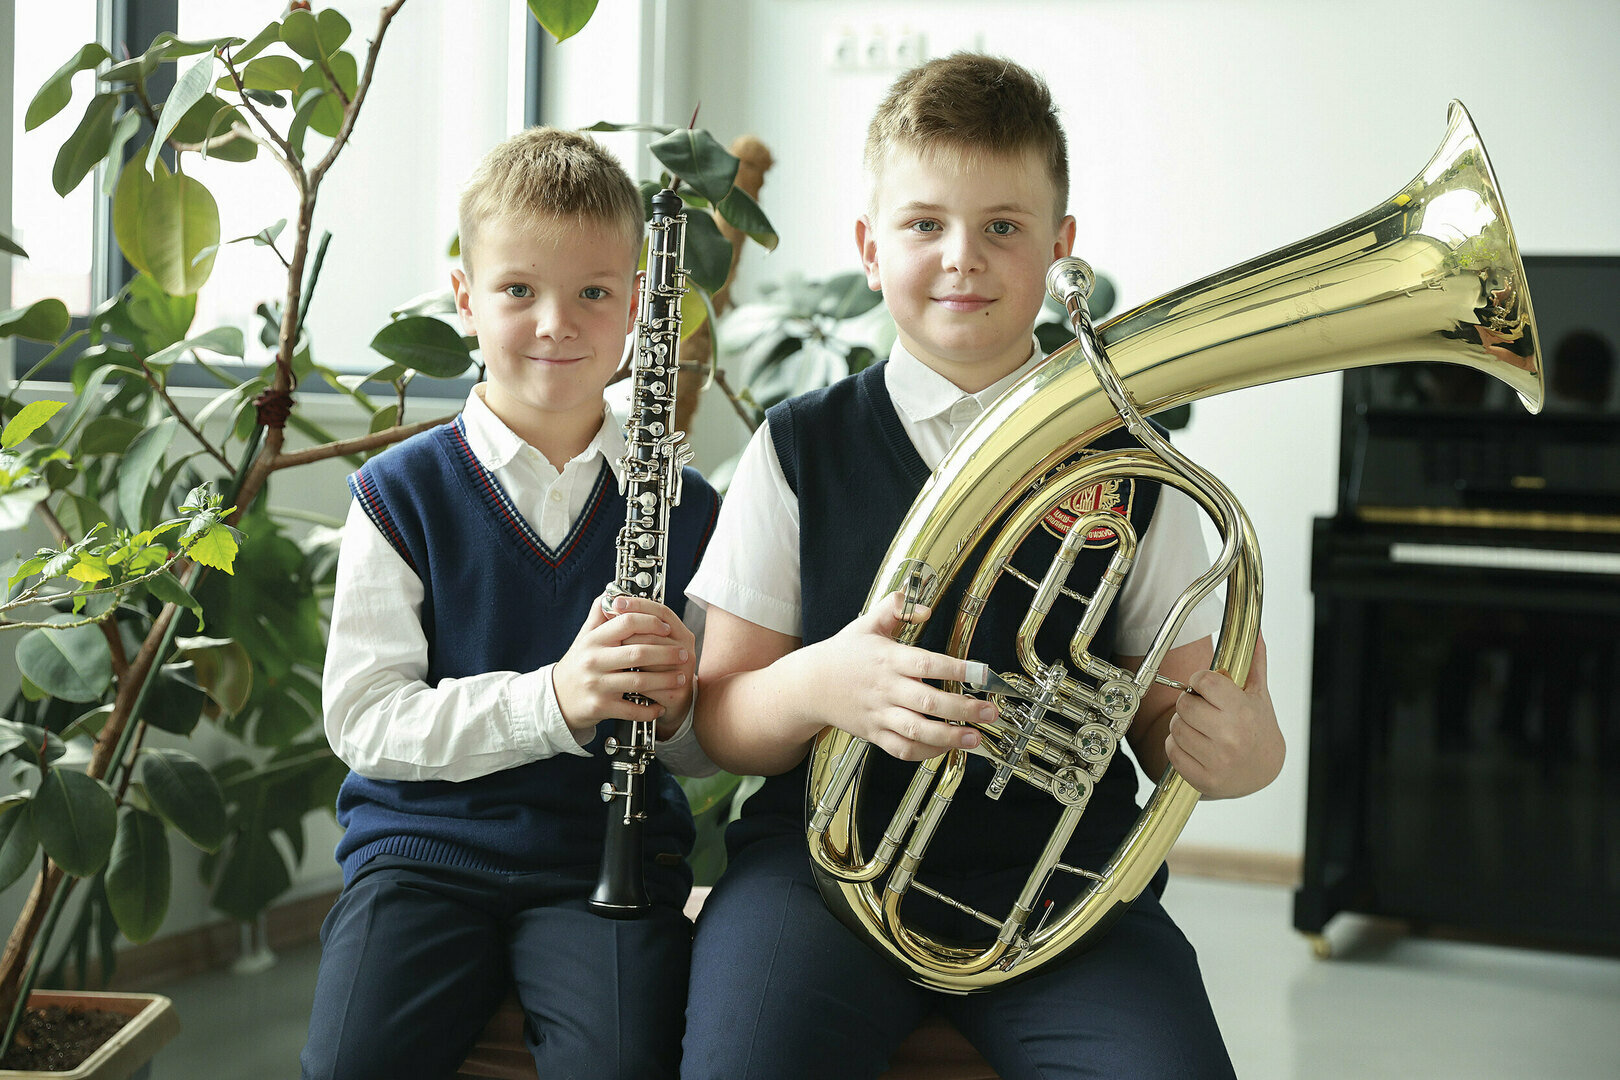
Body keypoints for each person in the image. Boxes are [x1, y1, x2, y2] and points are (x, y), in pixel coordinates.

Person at [681, 54, 1283, 1080]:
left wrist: (1244, 752)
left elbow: (1171, 724)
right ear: (871, 249)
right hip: (816, 874)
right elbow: (717, 721)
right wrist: (823, 683)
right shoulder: (799, 447)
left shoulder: (1129, 466)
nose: (963, 258)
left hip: (1063, 891)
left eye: (1003, 226)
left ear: (1060, 248)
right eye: (924, 225)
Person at [300, 127, 721, 1080]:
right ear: (466, 298)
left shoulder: (687, 508)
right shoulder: (400, 492)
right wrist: (555, 701)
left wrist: (678, 707)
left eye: (594, 294)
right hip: (420, 853)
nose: (556, 324)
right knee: (351, 1063)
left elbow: (699, 749)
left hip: (604, 857)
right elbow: (364, 721)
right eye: (519, 290)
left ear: (639, 308)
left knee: (622, 1062)